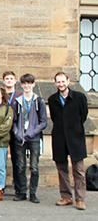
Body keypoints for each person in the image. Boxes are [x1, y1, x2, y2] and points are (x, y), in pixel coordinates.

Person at [49, 72, 89, 210]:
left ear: (68, 81)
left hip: (76, 138)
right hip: (59, 138)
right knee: (62, 169)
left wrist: (73, 129)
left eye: (63, 81)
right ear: (55, 83)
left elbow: (83, 116)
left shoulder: (79, 97)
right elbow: (55, 118)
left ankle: (80, 199)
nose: (61, 84)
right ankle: (66, 196)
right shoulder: (52, 99)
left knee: (78, 170)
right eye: (58, 82)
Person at [12, 73, 47, 203]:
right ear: (21, 85)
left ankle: (33, 193)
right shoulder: (17, 102)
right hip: (20, 139)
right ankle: (22, 192)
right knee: (20, 166)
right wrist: (17, 133)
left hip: (34, 139)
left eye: (29, 83)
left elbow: (43, 122)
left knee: (34, 167)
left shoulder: (39, 101)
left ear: (33, 84)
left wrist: (33, 132)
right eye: (24, 83)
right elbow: (14, 121)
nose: (27, 86)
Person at [2, 70, 23, 196]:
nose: (9, 81)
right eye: (7, 79)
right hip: (3, 132)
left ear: (15, 81)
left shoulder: (20, 95)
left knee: (17, 160)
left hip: (16, 131)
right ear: (3, 81)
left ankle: (19, 187)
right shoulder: (1, 94)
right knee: (1, 160)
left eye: (11, 78)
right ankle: (1, 186)